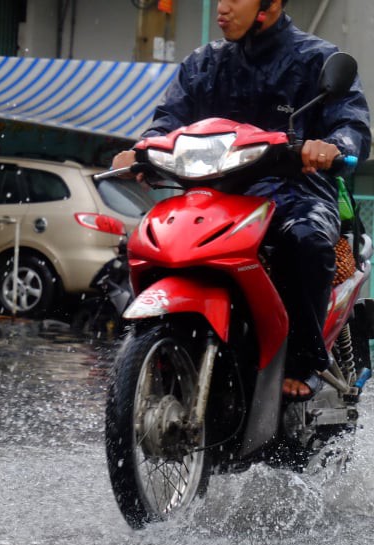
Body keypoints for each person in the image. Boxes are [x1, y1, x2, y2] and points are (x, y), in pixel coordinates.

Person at [111, 0, 371, 400]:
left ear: (270, 3)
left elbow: (351, 124)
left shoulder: (317, 59)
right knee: (151, 242)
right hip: (213, 195)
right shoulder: (203, 64)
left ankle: (304, 361)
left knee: (304, 239)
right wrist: (141, 151)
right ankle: (159, 346)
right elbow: (167, 121)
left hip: (295, 193)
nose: (222, 8)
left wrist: (334, 145)